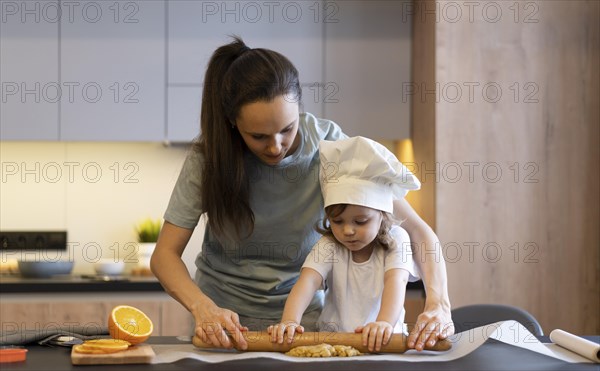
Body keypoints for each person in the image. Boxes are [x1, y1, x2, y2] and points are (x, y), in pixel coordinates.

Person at [150, 36, 453, 351]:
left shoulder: (332, 148)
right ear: (232, 123)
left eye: (287, 129)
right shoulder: (209, 158)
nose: (276, 146)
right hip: (225, 327)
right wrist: (203, 307)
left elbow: (417, 231)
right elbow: (164, 256)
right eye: (258, 136)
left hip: (303, 328)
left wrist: (438, 303)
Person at [268, 137, 421, 352]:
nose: (347, 231)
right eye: (337, 221)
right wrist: (290, 321)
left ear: (382, 215)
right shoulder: (329, 244)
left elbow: (396, 280)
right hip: (333, 344)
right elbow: (307, 282)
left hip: (385, 343)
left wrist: (384, 323)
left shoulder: (397, 240)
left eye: (360, 221)